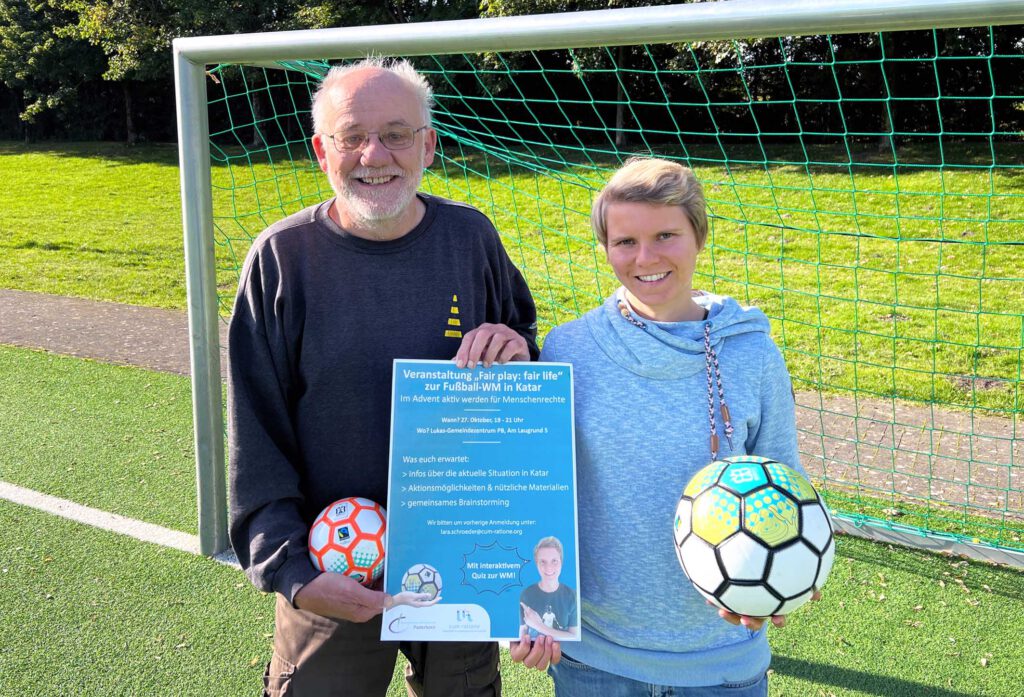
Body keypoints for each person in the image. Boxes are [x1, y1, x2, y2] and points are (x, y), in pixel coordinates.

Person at [228, 57, 546, 697]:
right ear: (322, 151)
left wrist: (517, 349)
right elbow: (254, 424)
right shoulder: (282, 258)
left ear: (428, 145)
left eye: (397, 133)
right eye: (352, 136)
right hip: (332, 565)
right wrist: (292, 568)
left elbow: (526, 375)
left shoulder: (470, 238)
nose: (375, 154)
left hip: (460, 554)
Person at [524, 157, 815, 695]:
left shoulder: (752, 353)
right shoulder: (569, 349)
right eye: (624, 242)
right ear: (606, 246)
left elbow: (786, 483)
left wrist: (787, 576)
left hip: (722, 659)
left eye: (665, 235)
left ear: (699, 236)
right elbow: (536, 494)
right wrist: (526, 608)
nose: (646, 257)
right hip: (596, 659)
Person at [518, 537, 579, 641]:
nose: (549, 568)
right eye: (543, 562)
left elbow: (574, 636)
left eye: (554, 561)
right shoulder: (526, 594)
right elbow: (523, 630)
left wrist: (538, 625)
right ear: (536, 564)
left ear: (561, 563)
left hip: (564, 653)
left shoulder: (572, 596)